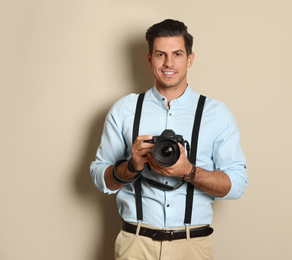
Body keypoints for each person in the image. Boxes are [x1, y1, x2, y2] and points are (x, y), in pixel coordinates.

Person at [90, 19, 248, 260]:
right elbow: (100, 177)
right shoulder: (125, 109)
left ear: (190, 58)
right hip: (136, 244)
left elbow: (237, 184)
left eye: (177, 54)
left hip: (191, 245)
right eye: (160, 54)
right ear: (149, 59)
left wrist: (189, 171)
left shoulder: (215, 113)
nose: (169, 63)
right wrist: (132, 167)